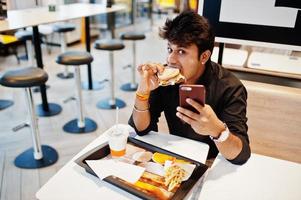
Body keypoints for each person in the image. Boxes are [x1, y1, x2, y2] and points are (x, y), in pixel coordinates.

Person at [128, 11, 251, 165]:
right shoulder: (164, 79)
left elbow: (241, 155)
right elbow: (141, 129)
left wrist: (217, 131)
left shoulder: (230, 88)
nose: (170, 59)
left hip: (211, 164)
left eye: (181, 51)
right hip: (174, 159)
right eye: (170, 49)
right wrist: (143, 93)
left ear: (204, 56)